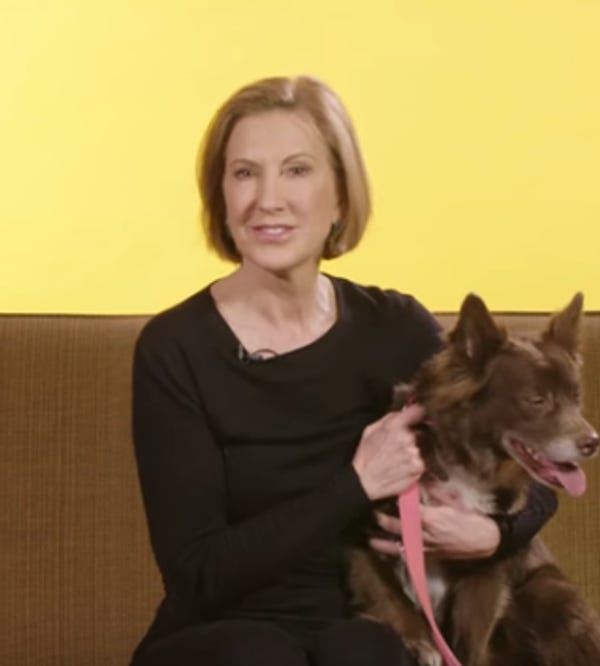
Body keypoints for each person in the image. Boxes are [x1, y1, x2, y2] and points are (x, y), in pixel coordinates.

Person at [129, 75, 557, 666]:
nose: (268, 198)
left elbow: (531, 465)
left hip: (367, 625)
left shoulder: (397, 328)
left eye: (297, 170)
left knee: (362, 651)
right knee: (259, 655)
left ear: (340, 197)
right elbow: (197, 575)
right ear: (220, 195)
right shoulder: (175, 348)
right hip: (222, 635)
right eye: (245, 173)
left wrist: (494, 536)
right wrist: (355, 483)